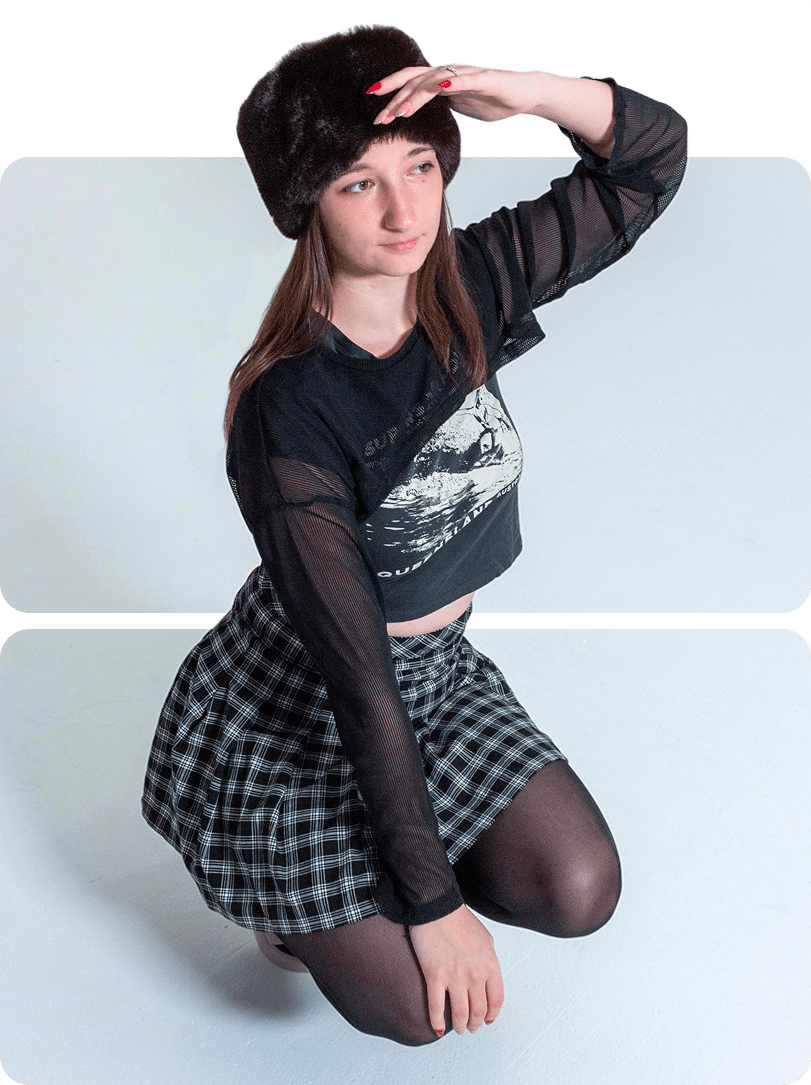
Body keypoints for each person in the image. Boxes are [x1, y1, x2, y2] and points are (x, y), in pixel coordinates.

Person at [142, 21, 689, 1047]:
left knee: (579, 888)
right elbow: (358, 685)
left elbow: (650, 160)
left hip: (434, 677)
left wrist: (528, 91)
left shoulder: (469, 285)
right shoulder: (289, 407)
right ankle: (292, 914)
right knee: (416, 1010)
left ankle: (388, 876)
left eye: (421, 167)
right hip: (300, 706)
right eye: (359, 183)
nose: (405, 211)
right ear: (307, 205)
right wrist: (433, 909)